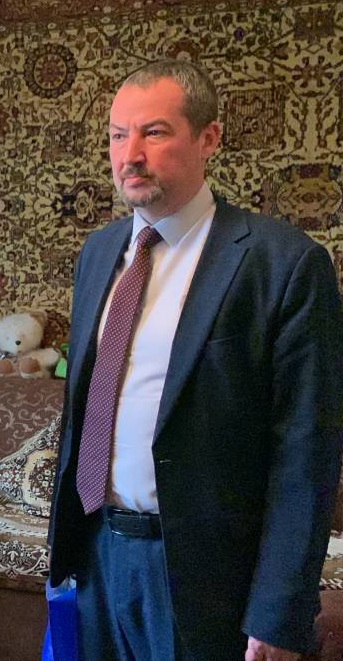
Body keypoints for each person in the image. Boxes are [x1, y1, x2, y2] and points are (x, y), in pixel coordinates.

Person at [47, 59, 343, 659]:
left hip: (207, 579)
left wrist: (279, 610)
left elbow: (306, 454)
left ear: (209, 138)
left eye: (153, 132)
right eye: (117, 135)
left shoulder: (283, 264)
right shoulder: (99, 253)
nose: (130, 155)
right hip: (97, 558)